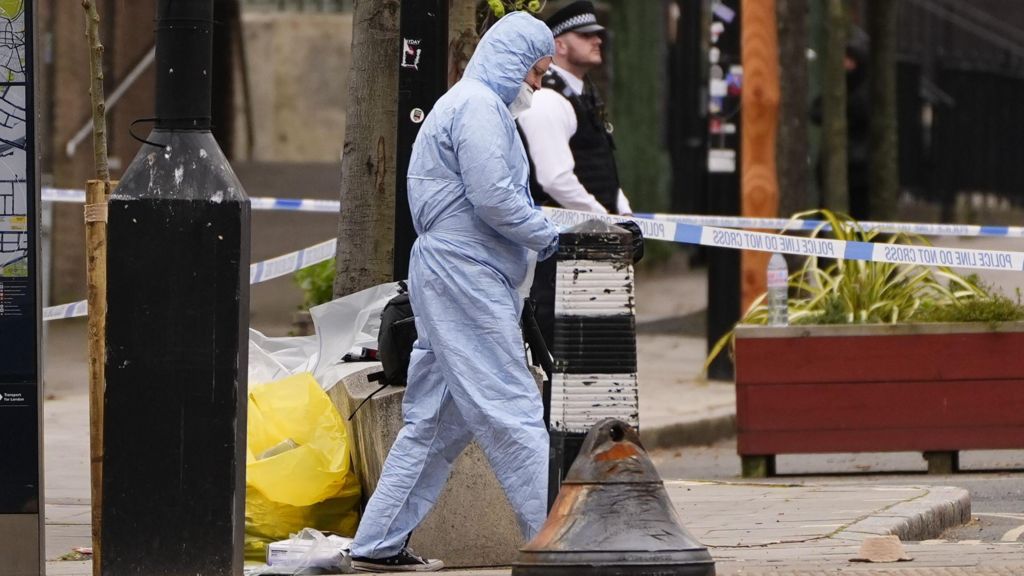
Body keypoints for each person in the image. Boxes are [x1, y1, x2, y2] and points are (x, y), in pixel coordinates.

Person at [348, 12, 560, 573]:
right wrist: (551, 235)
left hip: (455, 274)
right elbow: (494, 199)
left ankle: (376, 545)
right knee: (511, 408)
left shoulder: (471, 106)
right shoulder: (479, 109)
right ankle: (559, 545)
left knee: (435, 422)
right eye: (537, 71)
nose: (538, 85)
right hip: (467, 276)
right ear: (514, 61)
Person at [516, 0, 634, 347]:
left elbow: (600, 163)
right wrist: (607, 221)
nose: (597, 41)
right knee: (566, 352)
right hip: (561, 249)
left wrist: (621, 210)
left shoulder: (583, 93)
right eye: (584, 35)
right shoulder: (548, 98)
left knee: (598, 353)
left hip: (588, 240)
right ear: (559, 45)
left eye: (597, 35)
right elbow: (555, 179)